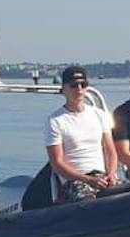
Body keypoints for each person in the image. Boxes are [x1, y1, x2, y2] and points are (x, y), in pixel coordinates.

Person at [45, 65, 119, 203]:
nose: (79, 89)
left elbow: (111, 151)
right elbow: (57, 163)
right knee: (87, 202)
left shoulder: (100, 115)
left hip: (101, 176)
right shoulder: (55, 121)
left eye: (83, 84)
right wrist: (88, 180)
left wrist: (112, 174)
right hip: (74, 180)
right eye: (74, 85)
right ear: (64, 89)